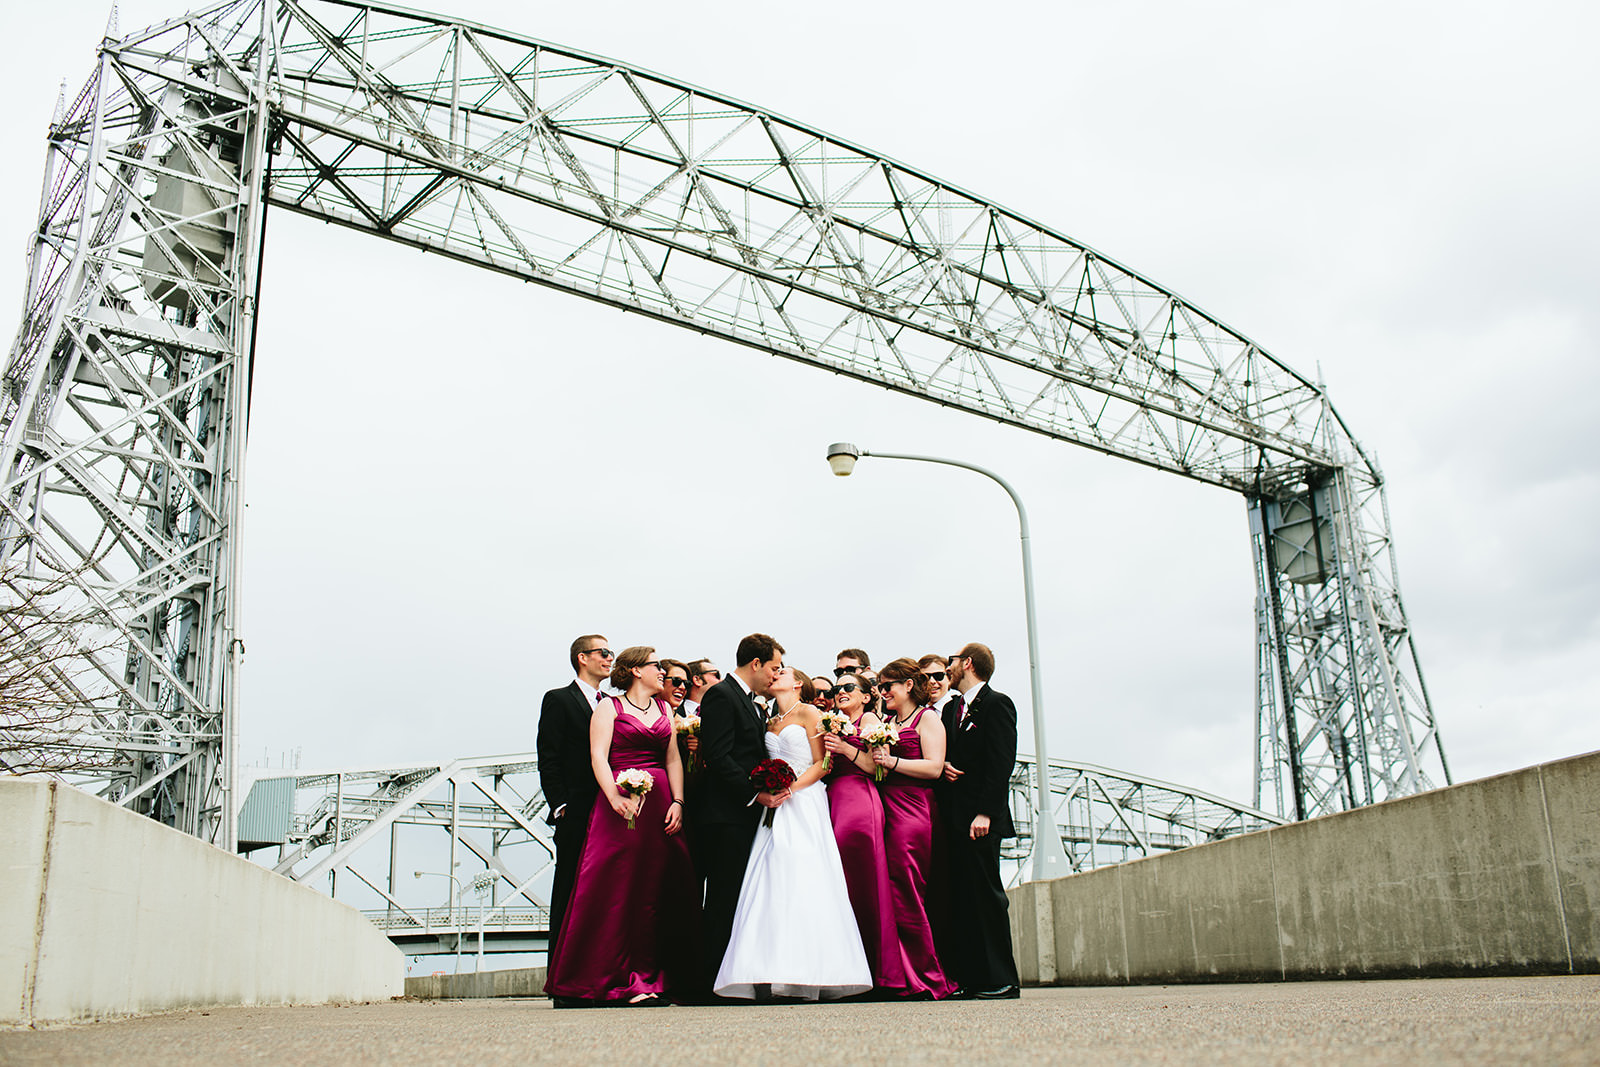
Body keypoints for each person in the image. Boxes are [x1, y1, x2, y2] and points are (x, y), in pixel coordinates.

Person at [543, 646, 698, 1006]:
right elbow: (597, 755)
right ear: (635, 670)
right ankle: (602, 979)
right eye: (656, 666)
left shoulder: (664, 709)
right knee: (613, 891)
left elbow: (672, 758)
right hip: (621, 804)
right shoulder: (608, 707)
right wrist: (614, 797)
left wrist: (678, 801)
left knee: (655, 892)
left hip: (660, 805)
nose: (664, 672)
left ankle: (651, 977)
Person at [715, 668, 871, 1000]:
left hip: (803, 800)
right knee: (769, 877)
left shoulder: (810, 712)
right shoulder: (766, 721)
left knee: (806, 874)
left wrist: (789, 789)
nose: (774, 675)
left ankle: (813, 970)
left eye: (782, 671)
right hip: (774, 805)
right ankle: (765, 970)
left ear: (798, 683)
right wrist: (771, 790)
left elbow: (822, 764)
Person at [695, 633, 789, 996]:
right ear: (756, 663)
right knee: (723, 897)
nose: (774, 675)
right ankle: (709, 985)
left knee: (738, 897)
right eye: (773, 667)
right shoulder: (721, 695)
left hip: (744, 815)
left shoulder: (752, 702)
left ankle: (728, 980)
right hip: (726, 816)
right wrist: (756, 794)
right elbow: (718, 756)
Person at [938, 643, 1021, 999]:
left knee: (988, 899)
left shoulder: (997, 704)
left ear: (968, 663)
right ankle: (970, 978)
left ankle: (1002, 979)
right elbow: (943, 754)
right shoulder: (952, 709)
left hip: (980, 819)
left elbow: (1001, 762)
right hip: (954, 819)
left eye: (952, 661)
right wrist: (941, 767)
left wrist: (986, 811)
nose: (948, 667)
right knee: (963, 900)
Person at [872, 656, 956, 999]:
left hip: (912, 809)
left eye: (888, 686)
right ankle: (897, 974)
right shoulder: (886, 720)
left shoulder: (928, 719)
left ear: (908, 685)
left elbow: (934, 768)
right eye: (880, 687)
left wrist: (891, 761)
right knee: (887, 891)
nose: (883, 692)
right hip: (884, 808)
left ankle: (926, 975)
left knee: (907, 888)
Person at [821, 671, 907, 995]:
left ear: (866, 695)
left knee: (865, 880)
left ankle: (877, 970)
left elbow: (876, 767)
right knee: (839, 883)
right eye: (837, 688)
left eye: (848, 688)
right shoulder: (830, 721)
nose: (840, 692)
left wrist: (844, 747)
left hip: (860, 799)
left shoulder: (869, 719)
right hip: (832, 800)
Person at [536, 635, 612, 967]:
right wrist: (560, 804)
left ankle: (595, 971)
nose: (611, 658)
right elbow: (548, 756)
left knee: (604, 895)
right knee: (569, 891)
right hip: (576, 812)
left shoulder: (611, 703)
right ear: (583, 658)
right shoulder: (558, 699)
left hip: (609, 811)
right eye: (604, 652)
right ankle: (561, 975)